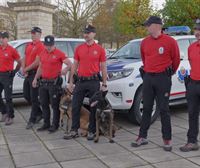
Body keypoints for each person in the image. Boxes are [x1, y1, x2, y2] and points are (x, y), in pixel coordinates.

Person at [131, 16, 180, 151]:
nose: (146, 27)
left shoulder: (170, 41)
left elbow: (176, 60)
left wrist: (167, 74)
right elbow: (144, 58)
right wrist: (148, 72)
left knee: (164, 109)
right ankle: (142, 136)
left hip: (163, 78)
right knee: (146, 108)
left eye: (148, 25)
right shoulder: (145, 42)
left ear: (157, 26)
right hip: (148, 78)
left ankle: (167, 139)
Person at [64, 24, 107, 140]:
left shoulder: (100, 49)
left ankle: (92, 131)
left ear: (94, 34)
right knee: (75, 106)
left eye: (88, 33)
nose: (86, 35)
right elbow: (74, 66)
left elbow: (103, 67)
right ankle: (74, 130)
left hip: (93, 81)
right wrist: (71, 82)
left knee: (93, 107)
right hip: (81, 81)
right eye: (85, 33)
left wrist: (104, 83)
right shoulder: (79, 48)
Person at [32, 35, 72, 133]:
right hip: (43, 83)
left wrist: (65, 69)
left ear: (54, 44)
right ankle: (46, 124)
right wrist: (35, 78)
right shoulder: (42, 53)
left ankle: (55, 125)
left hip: (54, 83)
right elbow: (40, 67)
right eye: (46, 45)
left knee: (54, 105)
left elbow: (70, 64)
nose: (48, 47)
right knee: (44, 104)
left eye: (50, 45)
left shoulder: (59, 53)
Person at [180, 19, 200, 152]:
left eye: (199, 29)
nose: (197, 32)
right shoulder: (191, 47)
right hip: (193, 84)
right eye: (196, 29)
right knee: (192, 114)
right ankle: (192, 141)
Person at [22, 27, 44, 129]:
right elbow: (24, 58)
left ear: (40, 34)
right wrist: (23, 69)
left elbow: (37, 62)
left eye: (34, 33)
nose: (32, 35)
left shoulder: (41, 46)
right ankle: (40, 113)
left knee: (34, 98)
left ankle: (32, 119)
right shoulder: (28, 45)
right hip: (27, 73)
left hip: (35, 74)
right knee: (26, 95)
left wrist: (26, 69)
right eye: (32, 33)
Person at [0, 31, 21, 125]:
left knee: (8, 97)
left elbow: (20, 62)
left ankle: (10, 116)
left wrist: (15, 71)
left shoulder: (12, 50)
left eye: (3, 38)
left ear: (7, 39)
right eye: (0, 38)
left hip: (7, 75)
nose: (1, 39)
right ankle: (4, 112)